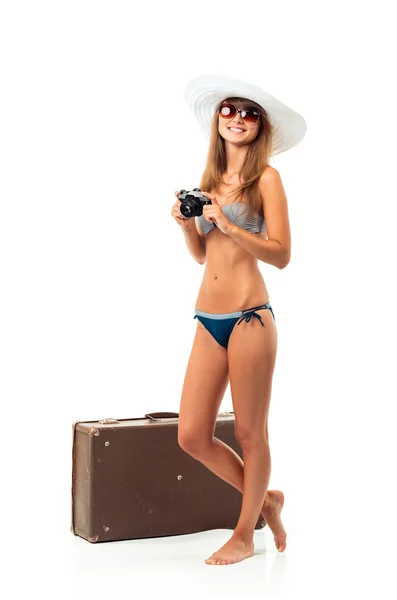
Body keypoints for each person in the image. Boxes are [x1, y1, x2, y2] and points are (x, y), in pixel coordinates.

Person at [170, 74, 306, 566]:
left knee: (251, 434)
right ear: (217, 119)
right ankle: (266, 498)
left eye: (249, 113)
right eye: (230, 110)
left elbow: (283, 254)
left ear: (260, 126)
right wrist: (191, 228)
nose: (238, 118)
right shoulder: (209, 181)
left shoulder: (266, 178)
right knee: (191, 435)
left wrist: (228, 222)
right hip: (208, 318)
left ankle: (245, 532)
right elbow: (204, 257)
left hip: (250, 318)